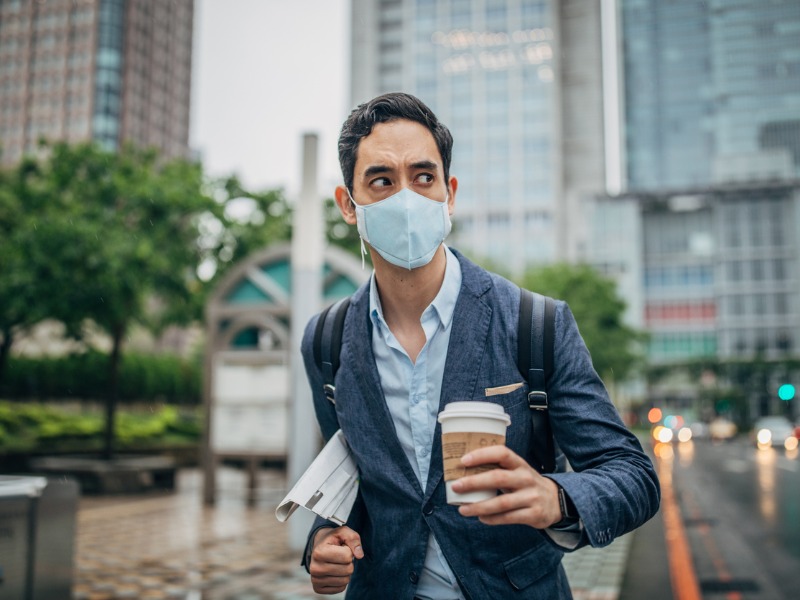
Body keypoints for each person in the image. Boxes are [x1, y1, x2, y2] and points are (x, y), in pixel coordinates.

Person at [299, 92, 660, 599]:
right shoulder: (326, 340)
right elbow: (351, 478)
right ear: (348, 205)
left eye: (423, 177)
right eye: (381, 180)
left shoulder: (536, 325)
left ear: (449, 193)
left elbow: (633, 477)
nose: (406, 198)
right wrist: (322, 541)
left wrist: (555, 496)